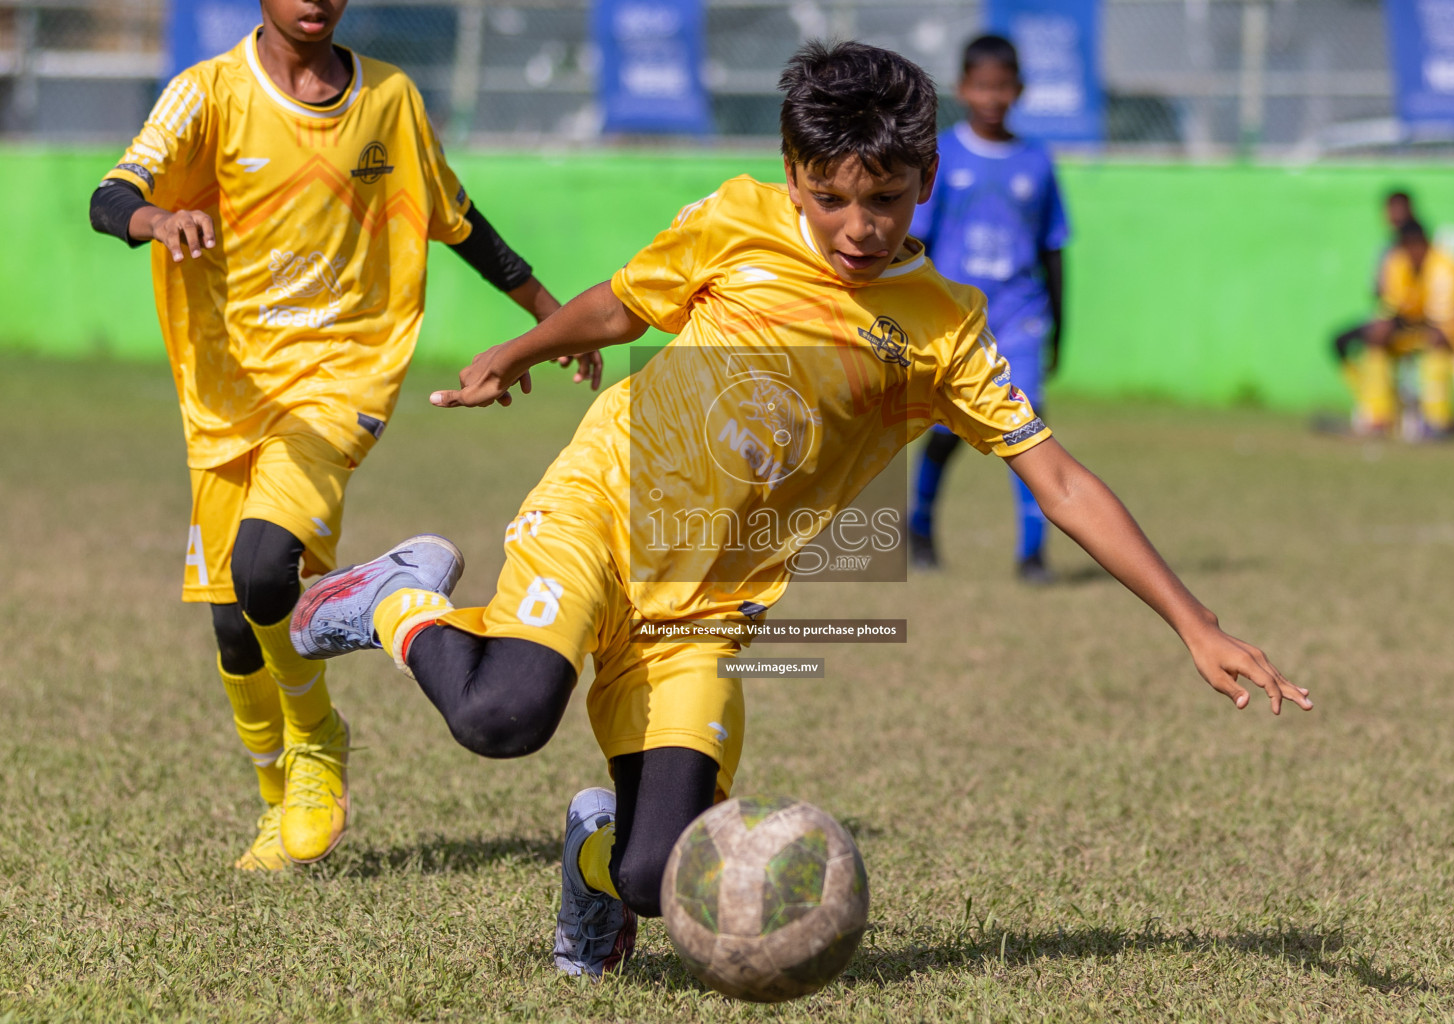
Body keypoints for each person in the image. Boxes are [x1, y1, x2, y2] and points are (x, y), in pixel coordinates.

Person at [289, 41, 1310, 979]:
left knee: (660, 880)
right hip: (604, 508)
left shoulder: (945, 330)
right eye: (830, 199)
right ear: (793, 173)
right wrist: (523, 346)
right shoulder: (738, 216)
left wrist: (1194, 620)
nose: (857, 227)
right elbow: (628, 301)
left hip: (709, 612)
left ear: (926, 183)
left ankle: (592, 866)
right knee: (504, 715)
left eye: (886, 200)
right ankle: (397, 598)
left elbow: (1061, 481)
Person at [87, 0, 595, 871]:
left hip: (341, 380)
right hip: (227, 388)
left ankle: (318, 741)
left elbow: (459, 221)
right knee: (236, 627)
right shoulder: (207, 94)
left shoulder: (390, 98)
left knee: (261, 568)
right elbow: (113, 194)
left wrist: (552, 320)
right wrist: (156, 221)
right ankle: (274, 799)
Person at [906, 34, 1069, 583]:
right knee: (947, 434)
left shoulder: (1037, 161)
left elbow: (1053, 247)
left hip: (1021, 317)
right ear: (963, 88)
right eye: (982, 86)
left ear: (1019, 90)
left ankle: (1033, 554)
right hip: (956, 321)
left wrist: (1060, 329)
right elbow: (917, 244)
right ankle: (920, 527)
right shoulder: (941, 157)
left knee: (1026, 429)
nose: (992, 97)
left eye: (1003, 87)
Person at [1353, 220, 1454, 437]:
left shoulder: (1444, 267)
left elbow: (1442, 324)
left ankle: (1438, 420)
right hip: (1415, 330)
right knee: (1376, 339)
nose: (1413, 252)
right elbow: (1392, 309)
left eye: (1417, 245)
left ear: (1426, 243)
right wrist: (1384, 325)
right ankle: (1379, 417)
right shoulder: (1396, 264)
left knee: (1436, 343)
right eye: (1407, 246)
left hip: (1453, 332)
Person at [1331, 190, 1416, 374]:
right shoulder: (1385, 248)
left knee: (1378, 336)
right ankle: (1366, 394)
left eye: (1399, 209)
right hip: (1386, 313)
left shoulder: (1417, 244)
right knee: (1340, 341)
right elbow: (1377, 289)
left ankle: (1384, 398)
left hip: (1409, 316)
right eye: (1391, 210)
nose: (1395, 215)